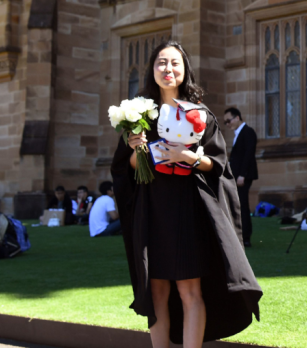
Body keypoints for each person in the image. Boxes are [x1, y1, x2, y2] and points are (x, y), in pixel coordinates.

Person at [111, 40, 262, 347]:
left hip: (185, 209)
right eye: (161, 63)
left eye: (174, 63)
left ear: (185, 70)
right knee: (157, 293)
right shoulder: (139, 115)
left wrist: (188, 156)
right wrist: (135, 148)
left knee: (189, 290)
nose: (168, 69)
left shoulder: (200, 114)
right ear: (152, 70)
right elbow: (124, 169)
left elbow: (218, 164)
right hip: (152, 209)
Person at [224, 107, 258, 248]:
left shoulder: (248, 132)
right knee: (238, 205)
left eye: (229, 120)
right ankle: (240, 235)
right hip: (237, 177)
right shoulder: (239, 134)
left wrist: (242, 175)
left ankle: (245, 237)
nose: (227, 124)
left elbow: (249, 155)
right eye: (225, 122)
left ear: (237, 118)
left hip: (242, 177)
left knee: (242, 206)